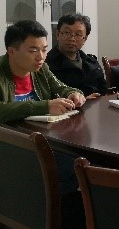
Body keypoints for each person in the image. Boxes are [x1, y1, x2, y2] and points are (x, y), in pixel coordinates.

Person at [0, 20, 86, 194]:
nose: (40, 57)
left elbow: (61, 87)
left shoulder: (40, 69)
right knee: (70, 167)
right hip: (9, 146)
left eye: (44, 50)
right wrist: (44, 106)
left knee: (79, 162)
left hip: (41, 141)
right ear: (11, 51)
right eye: (33, 51)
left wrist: (74, 93)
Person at [46, 13, 107, 98]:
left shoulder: (91, 61)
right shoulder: (46, 64)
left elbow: (104, 92)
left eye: (78, 34)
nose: (72, 39)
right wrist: (84, 100)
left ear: (85, 39)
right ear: (57, 34)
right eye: (67, 33)